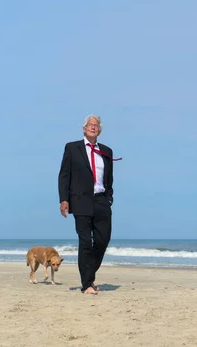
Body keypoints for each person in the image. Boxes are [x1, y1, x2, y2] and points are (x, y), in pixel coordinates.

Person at [58, 114, 117, 295]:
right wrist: (64, 199)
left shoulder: (107, 151)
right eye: (90, 125)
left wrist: (109, 197)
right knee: (85, 242)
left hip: (101, 200)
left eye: (96, 125)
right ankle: (87, 284)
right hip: (80, 200)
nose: (93, 127)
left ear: (99, 130)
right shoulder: (72, 148)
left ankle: (89, 275)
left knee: (102, 239)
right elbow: (64, 175)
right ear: (84, 129)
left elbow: (109, 177)